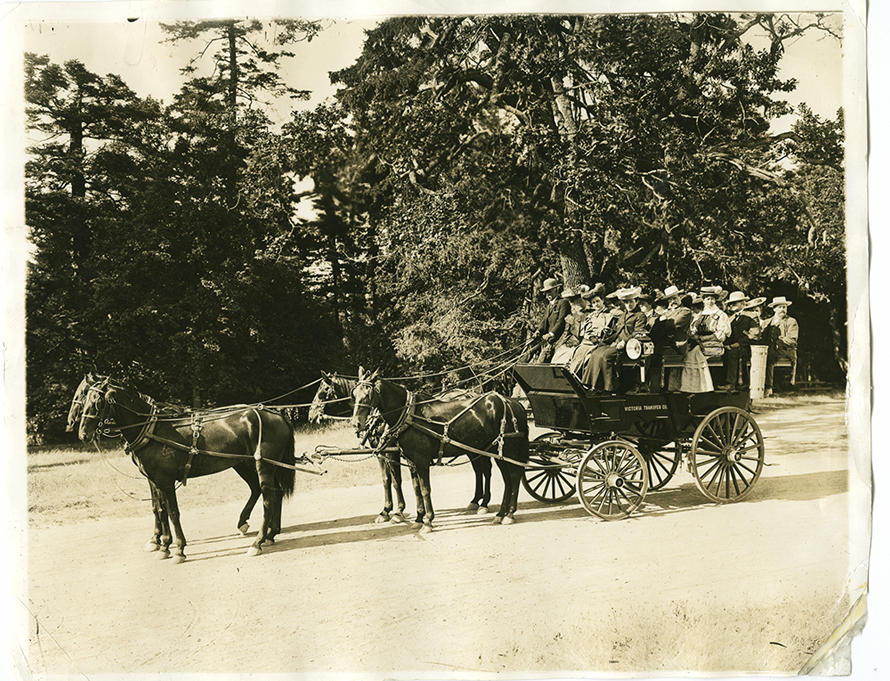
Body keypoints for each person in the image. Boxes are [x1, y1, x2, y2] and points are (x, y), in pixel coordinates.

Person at [584, 286, 648, 392]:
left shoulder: (640, 316)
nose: (628, 305)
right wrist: (606, 340)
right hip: (617, 343)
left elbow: (638, 333)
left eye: (631, 302)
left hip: (630, 346)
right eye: (626, 302)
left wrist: (624, 342)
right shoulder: (623, 315)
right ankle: (592, 384)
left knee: (606, 356)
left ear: (636, 301)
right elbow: (617, 332)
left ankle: (608, 388)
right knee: (596, 352)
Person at [665, 287, 713, 393]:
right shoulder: (669, 311)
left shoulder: (685, 311)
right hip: (669, 344)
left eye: (674, 298)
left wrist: (663, 320)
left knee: (676, 366)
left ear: (679, 298)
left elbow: (673, 324)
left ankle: (679, 390)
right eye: (670, 299)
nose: (672, 301)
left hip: (679, 345)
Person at [568, 284, 611, 377]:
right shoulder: (590, 316)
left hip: (601, 343)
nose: (596, 304)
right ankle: (573, 376)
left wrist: (603, 333)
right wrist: (590, 337)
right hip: (589, 342)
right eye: (594, 302)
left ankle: (584, 379)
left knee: (589, 357)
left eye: (598, 301)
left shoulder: (610, 314)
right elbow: (586, 331)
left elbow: (612, 331)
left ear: (603, 301)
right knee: (579, 352)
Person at [722, 291, 758, 389]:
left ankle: (732, 383)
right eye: (731, 303)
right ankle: (726, 381)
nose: (731, 305)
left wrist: (737, 344)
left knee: (733, 352)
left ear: (742, 303)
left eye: (735, 302)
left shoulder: (751, 316)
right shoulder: (731, 318)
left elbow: (754, 335)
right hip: (733, 347)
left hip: (747, 347)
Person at [764, 296, 799, 393]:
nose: (783, 309)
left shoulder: (791, 321)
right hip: (771, 350)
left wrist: (779, 340)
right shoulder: (767, 322)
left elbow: (792, 340)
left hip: (786, 350)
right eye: (780, 307)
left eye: (784, 307)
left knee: (768, 356)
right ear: (774, 309)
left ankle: (768, 387)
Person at [534, 277, 571, 363]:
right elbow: (544, 321)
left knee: (543, 359)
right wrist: (539, 331)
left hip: (558, 338)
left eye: (550, 291)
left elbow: (561, 321)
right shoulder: (548, 306)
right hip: (547, 339)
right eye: (546, 292)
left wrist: (551, 334)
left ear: (556, 289)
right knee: (531, 351)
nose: (547, 294)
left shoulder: (563, 303)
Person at [551, 287, 589, 364]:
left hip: (583, 343)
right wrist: (561, 343)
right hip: (571, 343)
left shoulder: (588, 315)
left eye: (574, 301)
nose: (572, 304)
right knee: (559, 353)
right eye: (570, 302)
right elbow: (567, 333)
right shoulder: (570, 317)